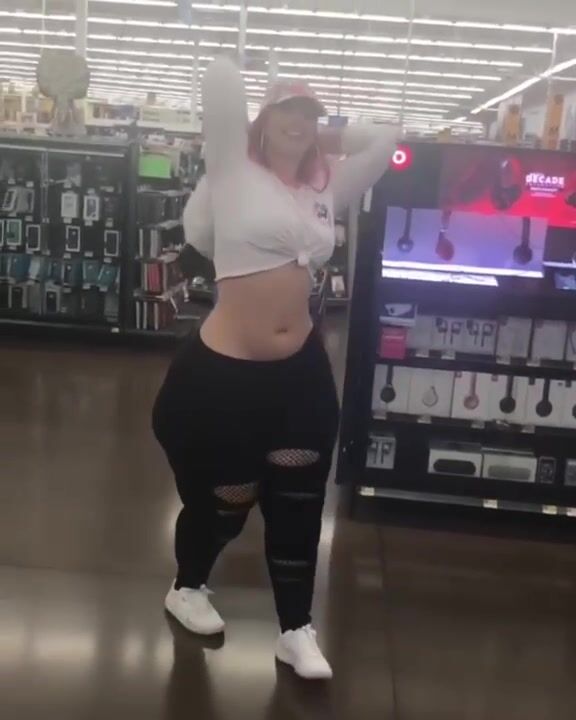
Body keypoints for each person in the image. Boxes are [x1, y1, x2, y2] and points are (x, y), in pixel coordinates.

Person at [152, 56, 398, 680]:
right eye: (288, 112)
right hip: (224, 376)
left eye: (309, 115)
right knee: (227, 500)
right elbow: (219, 79)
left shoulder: (324, 187)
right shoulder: (233, 169)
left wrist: (322, 134)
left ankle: (295, 628)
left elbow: (386, 139)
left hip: (300, 373)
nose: (300, 123)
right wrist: (266, 105)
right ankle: (187, 586)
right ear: (261, 119)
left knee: (299, 498)